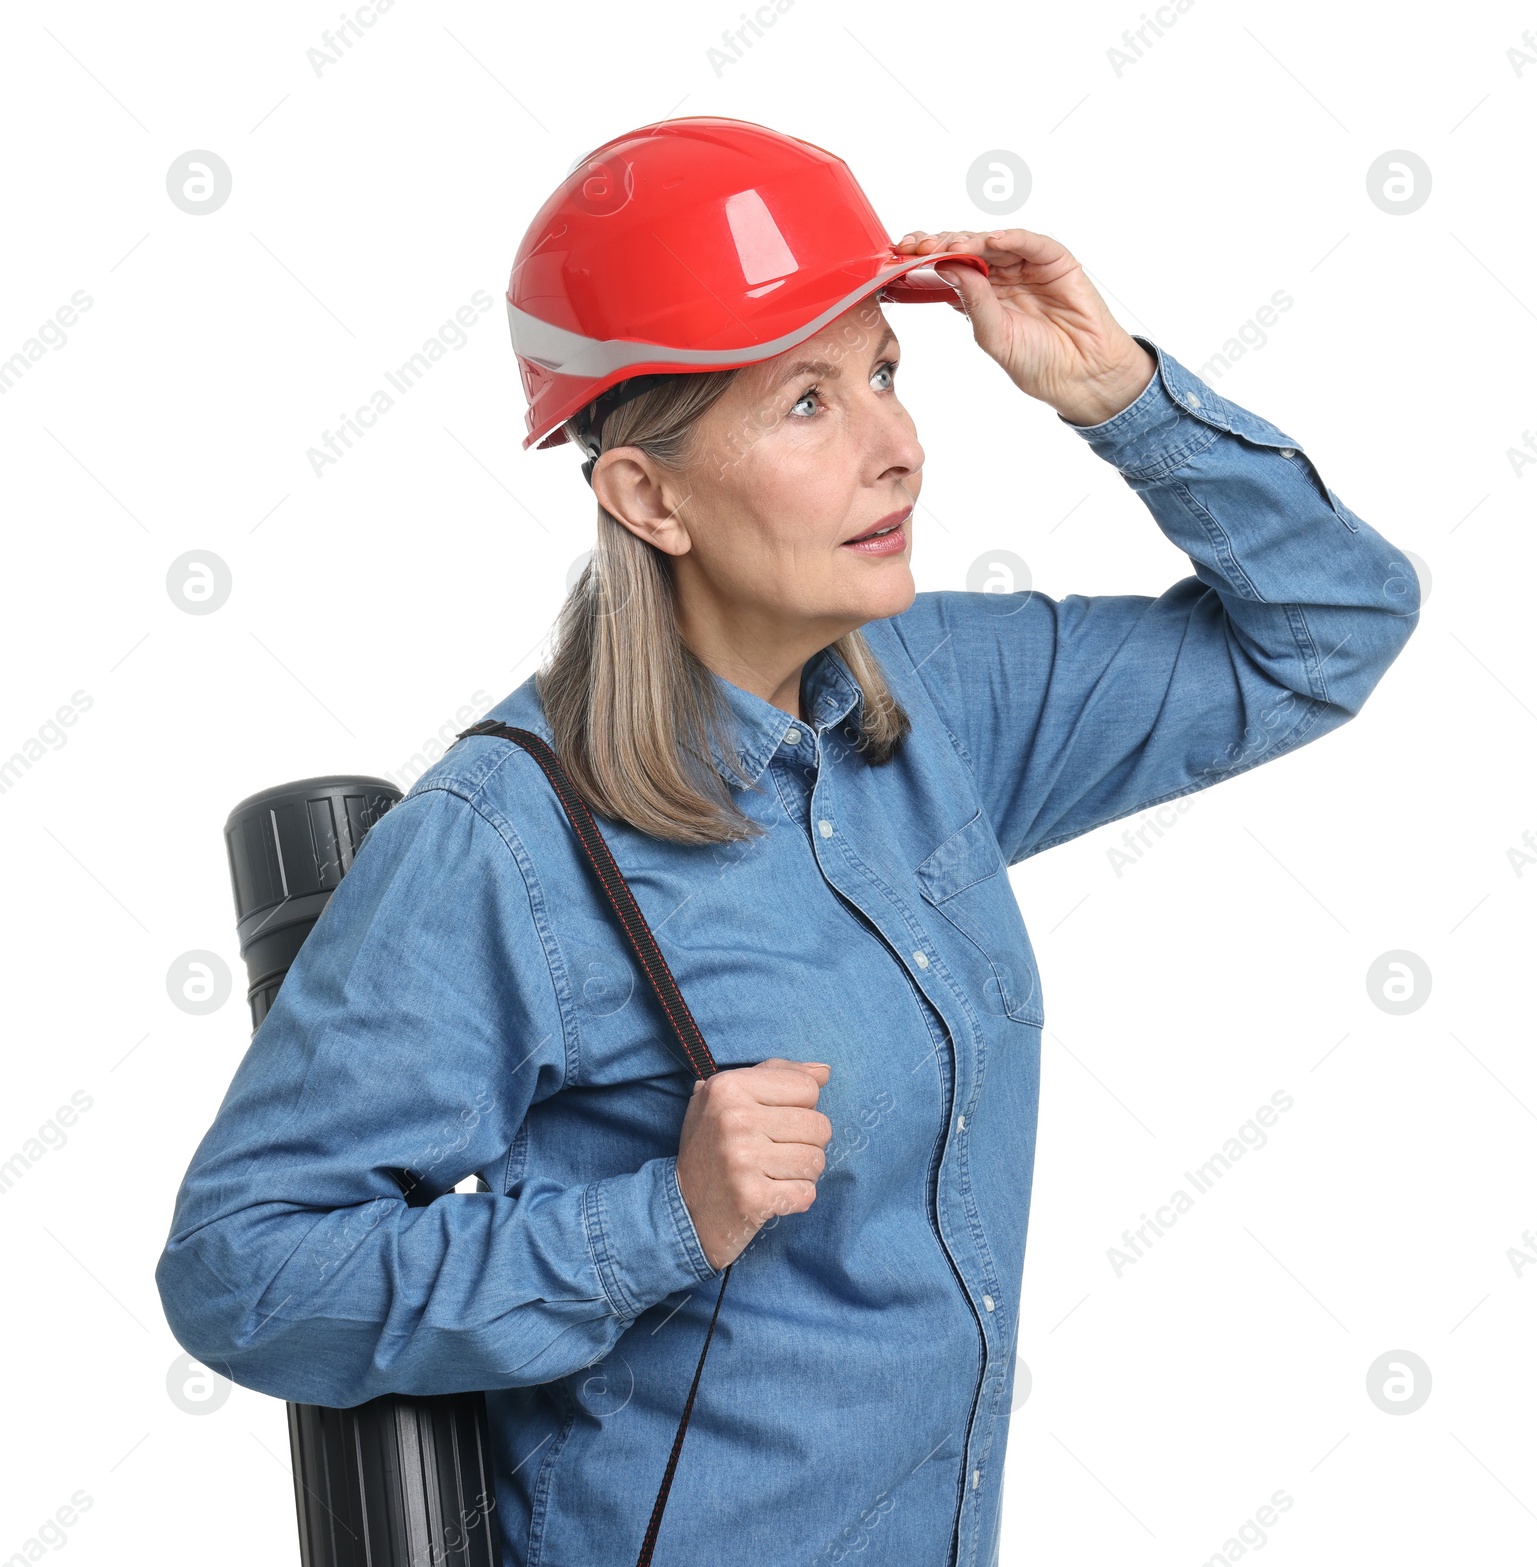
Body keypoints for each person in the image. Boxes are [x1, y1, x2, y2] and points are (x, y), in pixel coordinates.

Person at [155, 118, 1420, 1567]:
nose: (897, 448)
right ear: (648, 497)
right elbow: (242, 1269)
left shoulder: (935, 701)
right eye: (807, 404)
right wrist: (661, 1220)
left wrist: (1117, 393)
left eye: (883, 372)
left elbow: (1327, 631)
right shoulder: (501, 849)